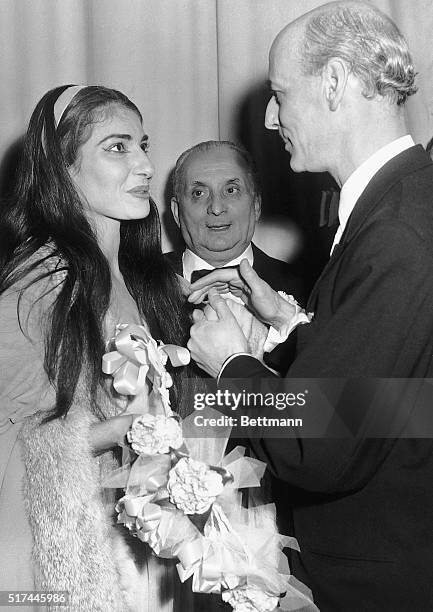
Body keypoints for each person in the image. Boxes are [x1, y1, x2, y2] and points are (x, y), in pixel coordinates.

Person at [187, 1, 433, 610]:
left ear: (334, 82)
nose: (270, 118)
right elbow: (392, 398)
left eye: (279, 94)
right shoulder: (401, 201)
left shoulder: (395, 232)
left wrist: (231, 367)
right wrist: (295, 327)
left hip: (378, 581)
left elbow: (319, 447)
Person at [0, 84, 194, 611]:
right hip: (72, 563)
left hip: (140, 551)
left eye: (143, 144)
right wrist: (127, 430)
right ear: (62, 168)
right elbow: (11, 435)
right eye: (117, 147)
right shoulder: (39, 282)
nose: (146, 166)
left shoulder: (134, 274)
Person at [166, 139, 304, 371]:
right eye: (199, 193)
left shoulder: (310, 288)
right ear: (177, 212)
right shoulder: (132, 284)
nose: (217, 208)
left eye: (231, 190)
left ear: (256, 205)